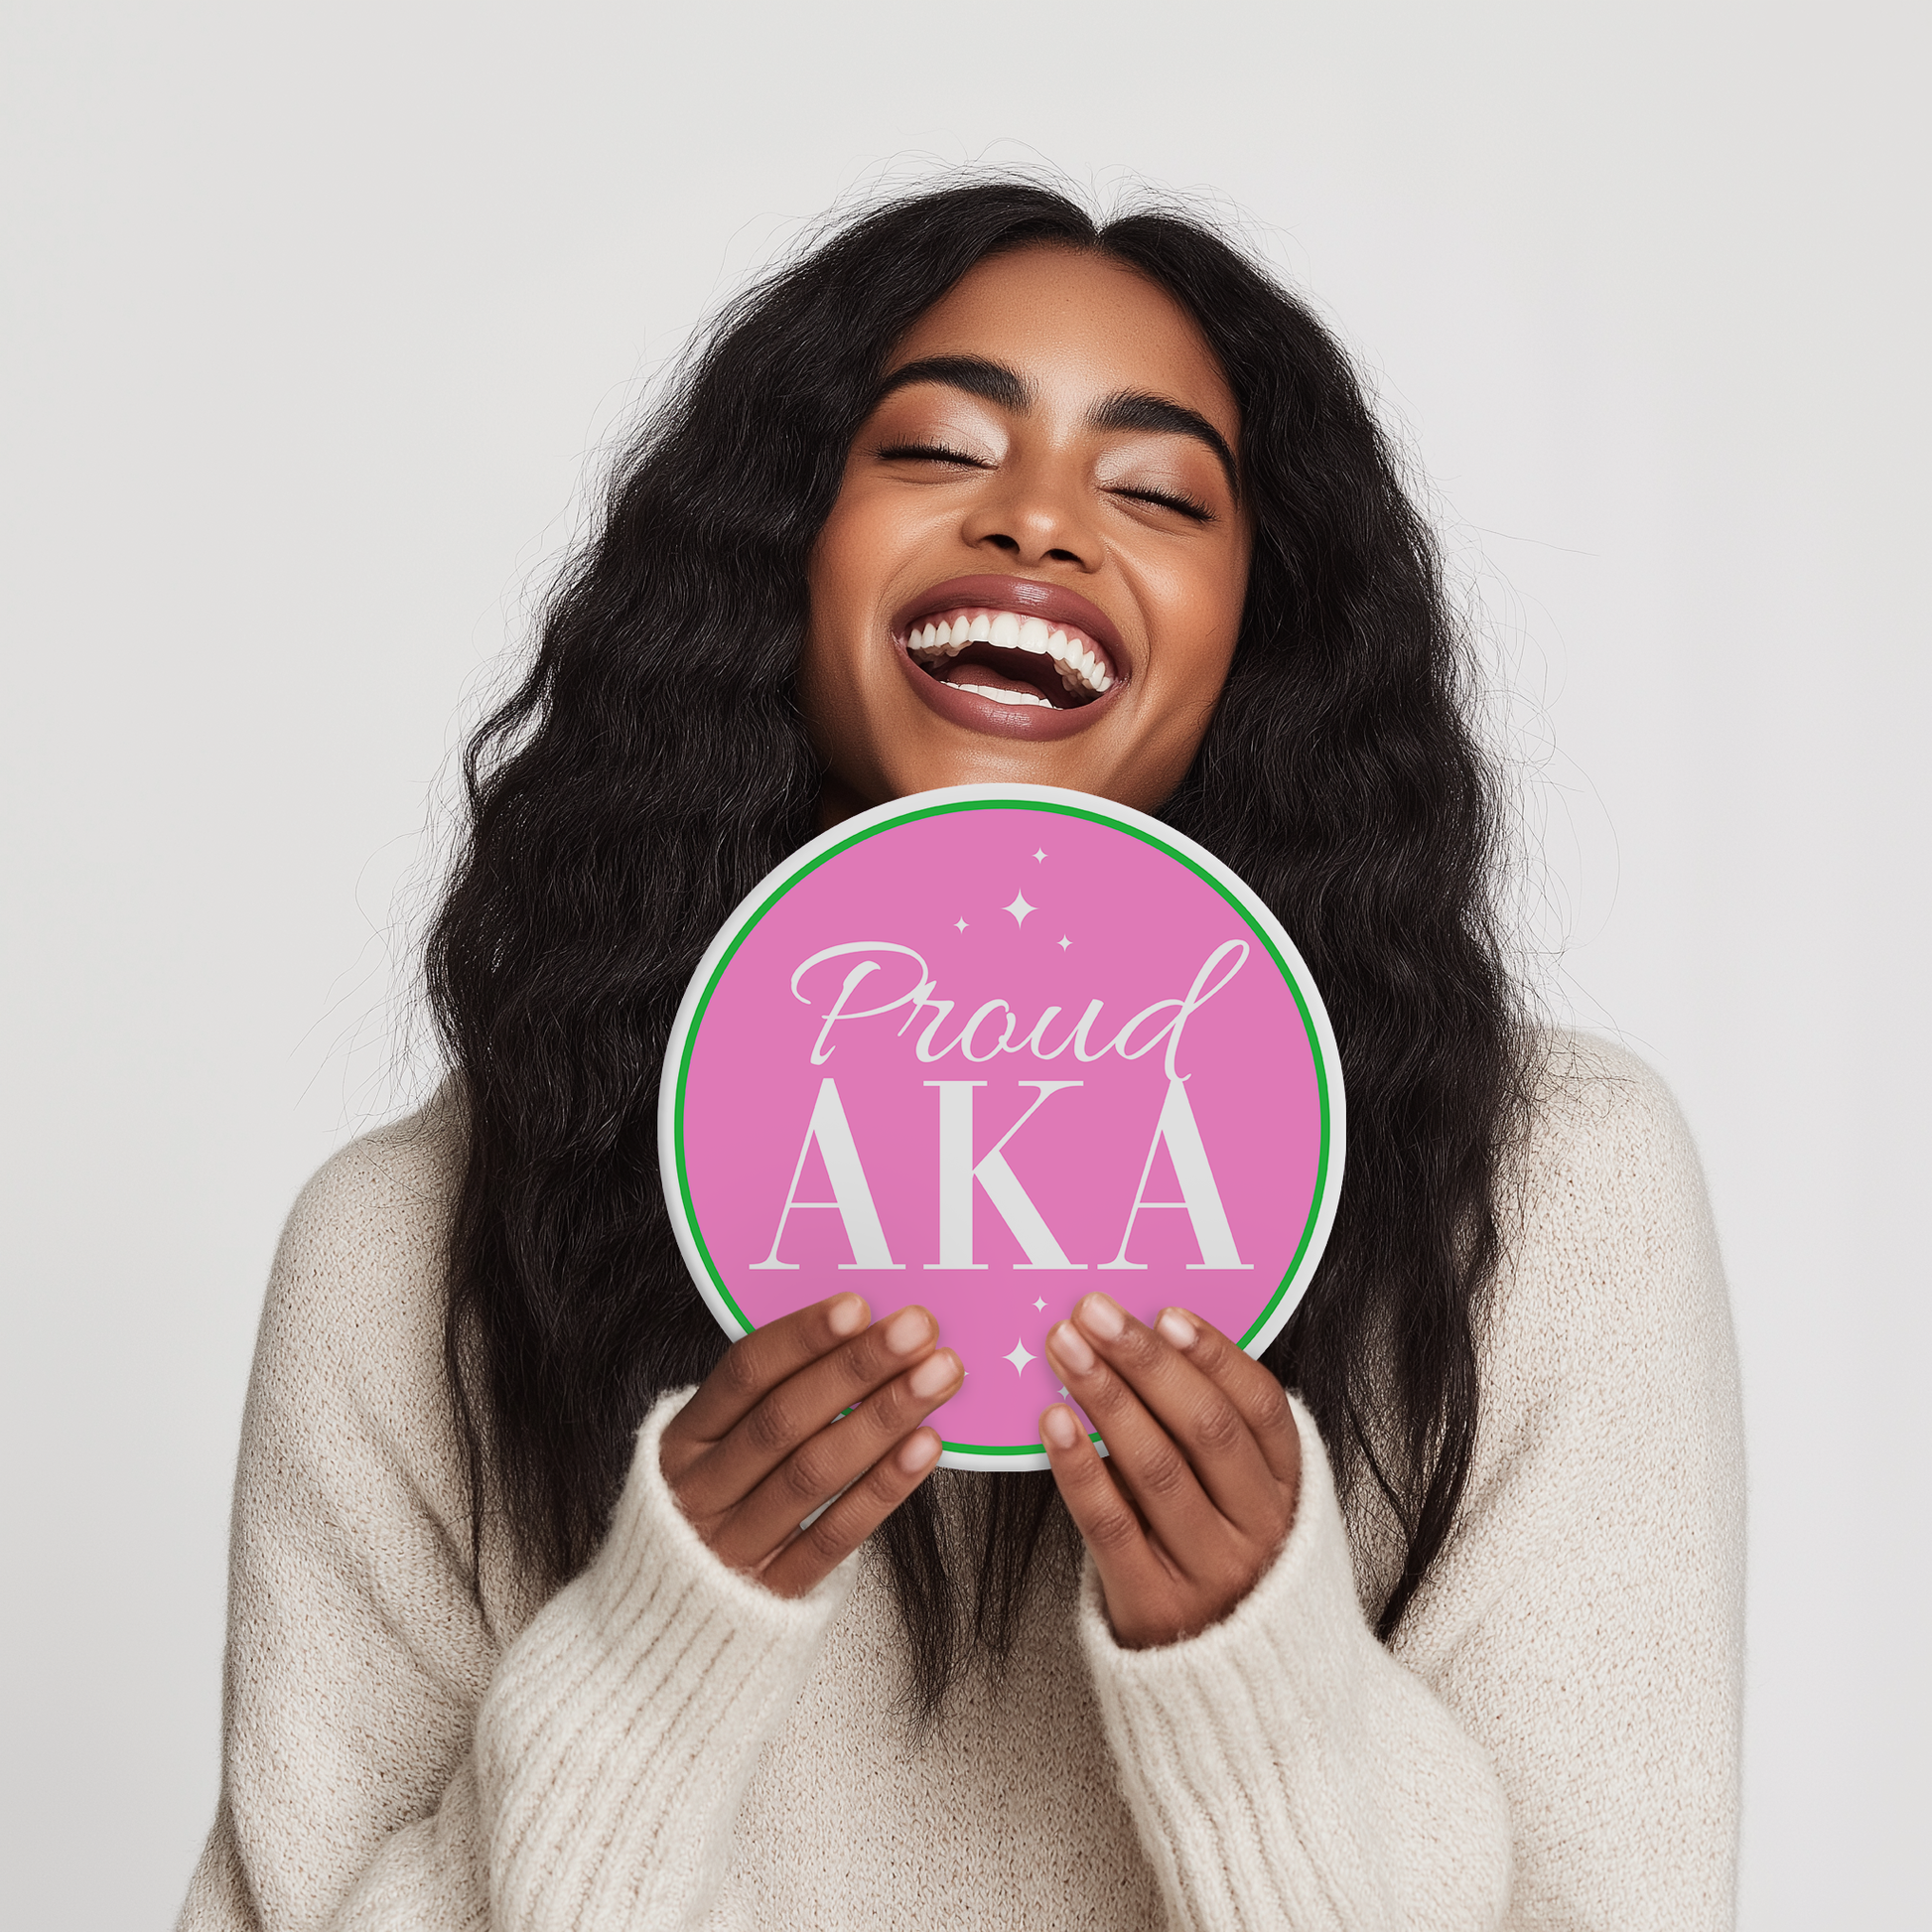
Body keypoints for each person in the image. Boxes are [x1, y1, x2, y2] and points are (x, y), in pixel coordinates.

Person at [178, 181, 1743, 1931]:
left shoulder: (1544, 1191)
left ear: (1258, 635)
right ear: (781, 550)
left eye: (1153, 492)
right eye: (936, 451)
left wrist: (1254, 1677)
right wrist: (651, 1649)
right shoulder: (403, 1244)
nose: (1042, 528)